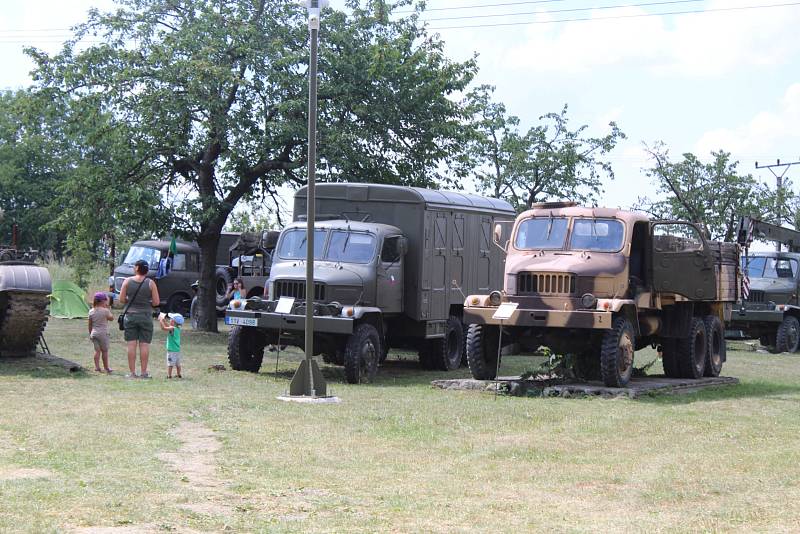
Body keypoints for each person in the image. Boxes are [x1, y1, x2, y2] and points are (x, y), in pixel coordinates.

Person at [119, 259, 160, 378]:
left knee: (131, 345)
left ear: (136, 268)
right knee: (144, 345)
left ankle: (132, 373)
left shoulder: (127, 281)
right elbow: (156, 302)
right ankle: (143, 372)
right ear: (146, 270)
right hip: (146, 316)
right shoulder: (150, 283)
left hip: (130, 315)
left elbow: (121, 300)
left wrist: (130, 300)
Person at [88, 292, 114, 373]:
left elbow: (90, 324)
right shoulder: (105, 311)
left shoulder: (91, 311)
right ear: (103, 301)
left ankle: (97, 367)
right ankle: (106, 368)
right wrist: (108, 309)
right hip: (103, 334)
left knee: (97, 351)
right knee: (104, 351)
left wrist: (90, 333)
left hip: (94, 333)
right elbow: (111, 318)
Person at [159, 312, 184, 379]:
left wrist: (161, 321)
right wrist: (164, 320)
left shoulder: (172, 328)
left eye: (170, 319)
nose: (169, 320)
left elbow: (164, 328)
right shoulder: (177, 329)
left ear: (173, 321)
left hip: (171, 350)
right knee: (178, 364)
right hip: (177, 350)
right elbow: (168, 326)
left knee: (170, 364)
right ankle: (179, 374)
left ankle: (169, 375)